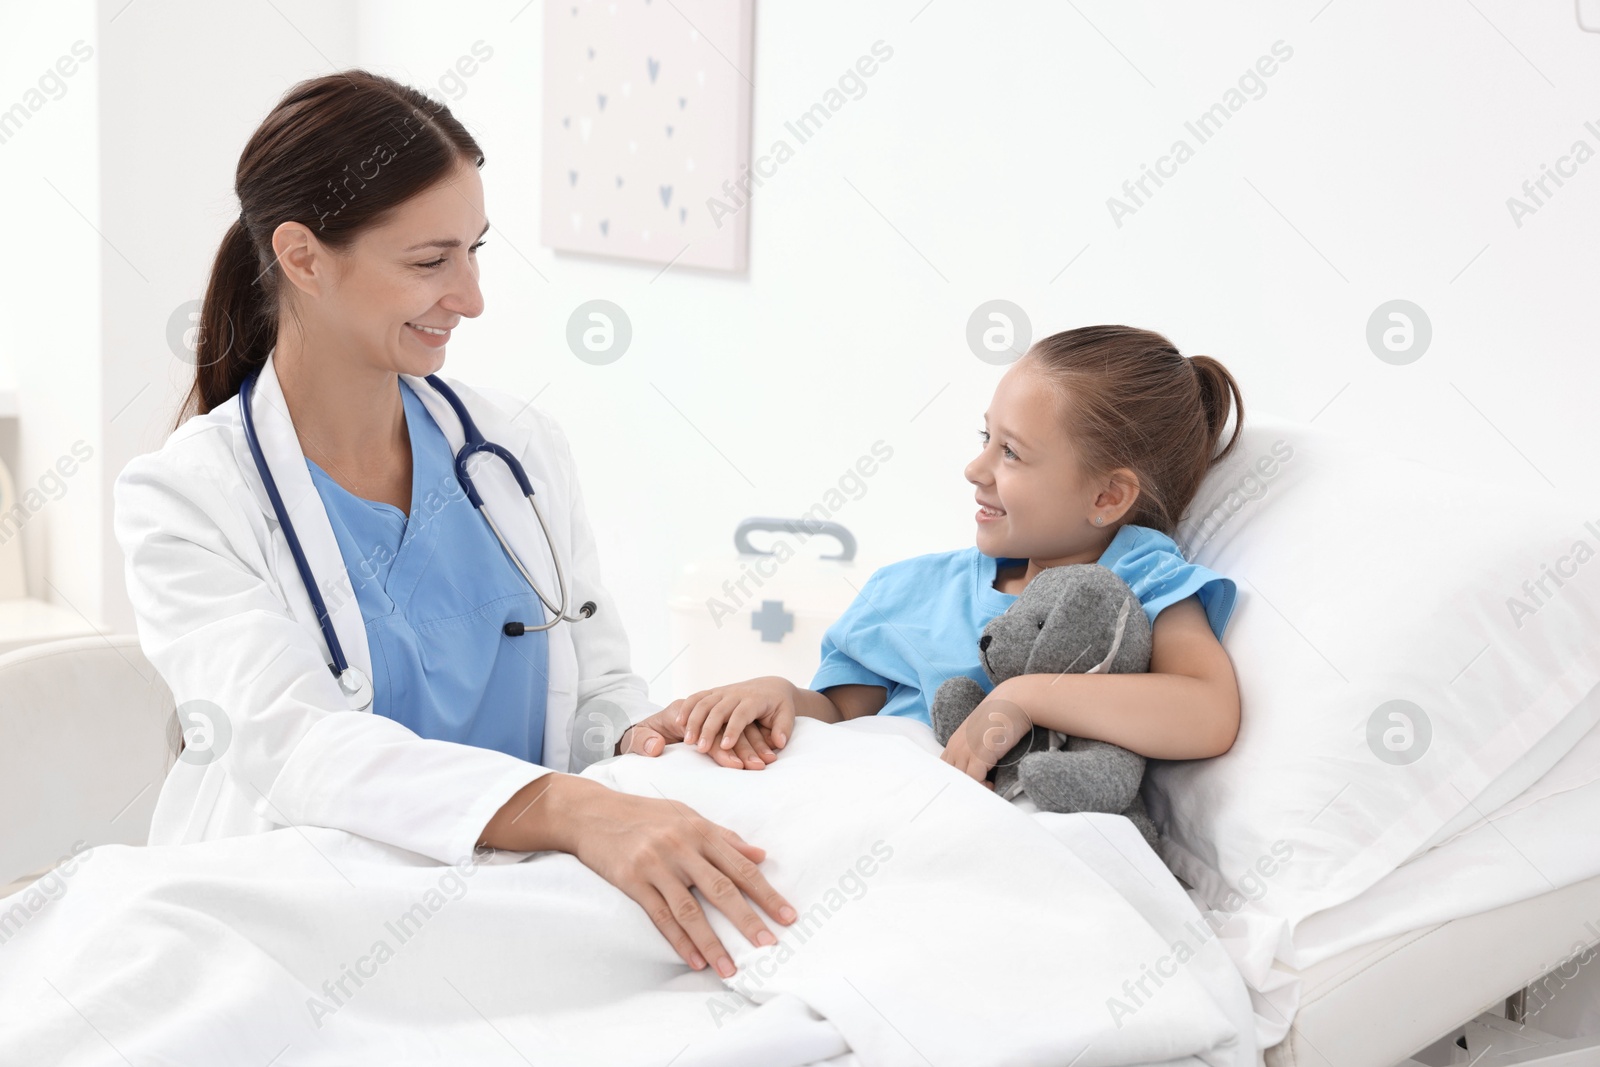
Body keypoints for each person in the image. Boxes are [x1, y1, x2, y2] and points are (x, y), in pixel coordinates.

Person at [112, 70, 794, 981]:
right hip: (308, 924)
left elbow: (598, 691)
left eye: (474, 251)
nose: (469, 296)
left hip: (525, 905)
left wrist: (648, 740)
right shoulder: (186, 498)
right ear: (305, 258)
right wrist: (570, 808)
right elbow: (299, 747)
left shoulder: (519, 451)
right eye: (430, 262)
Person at [620, 326, 1246, 788]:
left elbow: (1207, 710)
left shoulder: (1137, 579)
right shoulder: (909, 590)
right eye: (986, 438)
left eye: (1012, 453)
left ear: (1108, 495)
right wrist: (779, 692)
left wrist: (1025, 697)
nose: (975, 469)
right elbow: (839, 714)